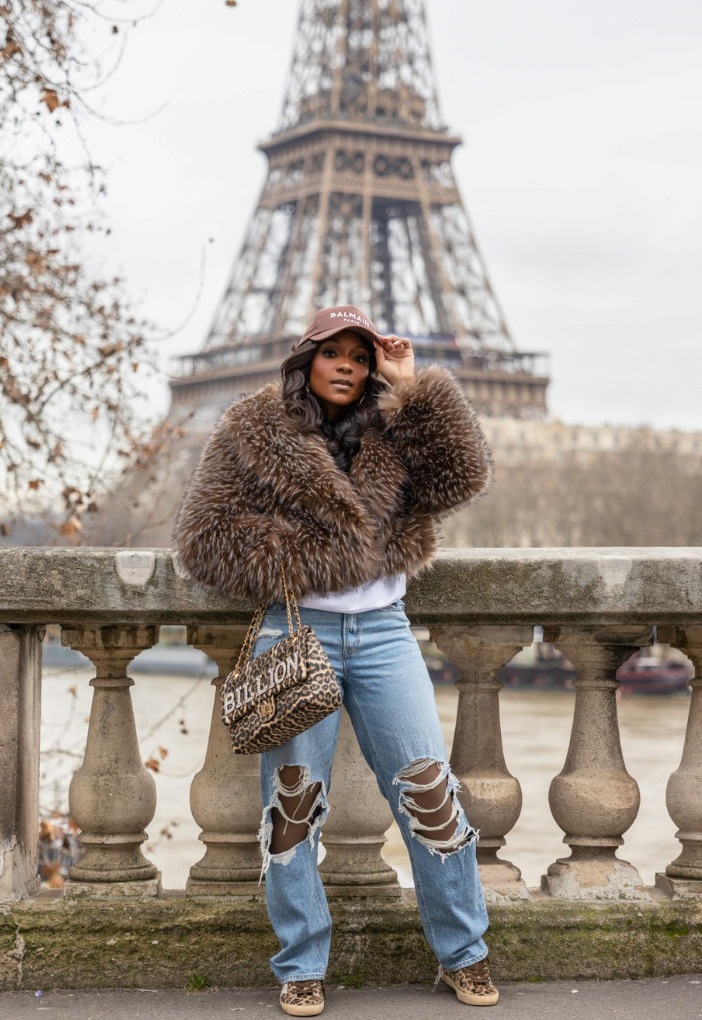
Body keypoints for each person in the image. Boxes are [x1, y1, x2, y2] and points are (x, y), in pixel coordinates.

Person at [174, 305, 497, 1015]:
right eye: (334, 353)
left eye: (362, 354)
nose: (349, 365)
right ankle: (300, 964)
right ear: (305, 360)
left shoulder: (395, 427)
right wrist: (328, 556)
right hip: (295, 632)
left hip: (385, 634)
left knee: (431, 795)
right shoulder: (251, 432)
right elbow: (204, 538)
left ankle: (464, 952)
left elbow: (464, 477)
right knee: (293, 807)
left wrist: (414, 388)